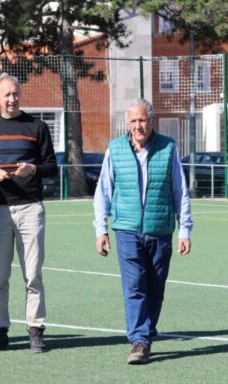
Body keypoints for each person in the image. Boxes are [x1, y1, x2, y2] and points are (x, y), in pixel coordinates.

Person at [93, 98, 193, 365]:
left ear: (152, 121)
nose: (138, 126)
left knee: (155, 288)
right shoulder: (115, 150)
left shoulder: (168, 148)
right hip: (126, 229)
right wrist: (101, 229)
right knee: (135, 285)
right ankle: (139, 341)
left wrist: (185, 229)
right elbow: (103, 192)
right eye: (134, 121)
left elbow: (179, 191)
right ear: (128, 123)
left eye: (142, 120)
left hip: (160, 230)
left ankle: (146, 332)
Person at [0, 73, 58, 353]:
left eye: (15, 94)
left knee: (32, 275)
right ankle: (0, 332)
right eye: (7, 95)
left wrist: (33, 168)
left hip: (31, 209)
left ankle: (36, 331)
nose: (12, 99)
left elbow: (51, 167)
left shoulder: (37, 127)